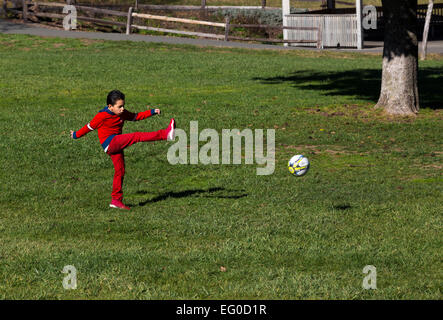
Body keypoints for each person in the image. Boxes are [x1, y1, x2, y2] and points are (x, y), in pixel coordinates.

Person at [70, 89, 175, 210]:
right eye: (119, 106)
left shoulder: (122, 113)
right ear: (110, 106)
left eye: (123, 105)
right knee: (136, 136)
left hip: (116, 143)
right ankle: (165, 134)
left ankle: (116, 200)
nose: (122, 109)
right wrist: (75, 135)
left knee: (120, 171)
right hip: (110, 143)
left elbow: (136, 117)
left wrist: (152, 111)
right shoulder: (101, 116)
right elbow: (88, 127)